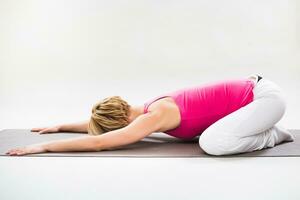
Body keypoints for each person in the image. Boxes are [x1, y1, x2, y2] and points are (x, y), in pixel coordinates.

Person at [6, 74, 294, 156]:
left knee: (212, 144)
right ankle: (267, 131)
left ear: (118, 123)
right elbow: (102, 130)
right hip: (257, 98)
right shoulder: (144, 108)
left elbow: (101, 142)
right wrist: (59, 126)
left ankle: (271, 135)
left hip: (265, 100)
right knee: (209, 139)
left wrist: (43, 147)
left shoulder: (155, 115)